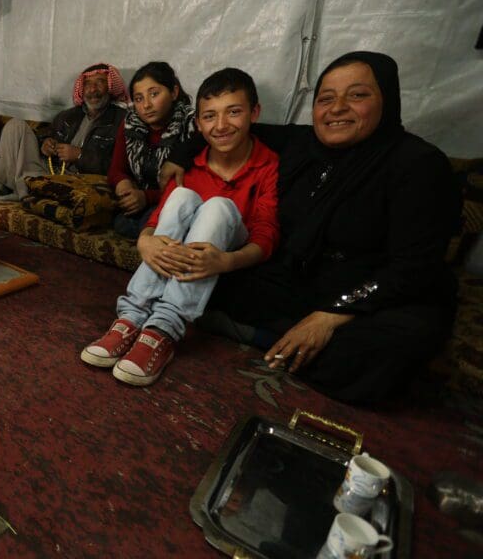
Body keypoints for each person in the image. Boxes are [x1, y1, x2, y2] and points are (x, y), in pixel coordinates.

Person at [190, 52, 461, 405]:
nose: (337, 108)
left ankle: (262, 334)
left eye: (358, 95)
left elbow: (413, 268)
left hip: (374, 292)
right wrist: (176, 162)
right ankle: (270, 335)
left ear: (388, 100)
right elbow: (217, 132)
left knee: (398, 343)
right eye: (326, 98)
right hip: (299, 277)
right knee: (213, 270)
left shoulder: (418, 165)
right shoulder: (303, 145)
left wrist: (328, 317)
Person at [80, 68, 279, 387]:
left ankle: (164, 329)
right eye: (210, 117)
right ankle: (131, 317)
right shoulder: (187, 164)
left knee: (217, 206)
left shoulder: (269, 164)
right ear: (199, 125)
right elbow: (160, 218)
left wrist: (226, 261)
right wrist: (145, 240)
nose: (222, 125)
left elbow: (266, 235)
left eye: (234, 112)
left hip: (229, 249)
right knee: (184, 196)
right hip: (184, 248)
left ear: (254, 113)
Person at [0, 62, 128, 200]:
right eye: (87, 84)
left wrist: (80, 156)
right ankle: (0, 188)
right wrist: (44, 144)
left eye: (100, 82)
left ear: (110, 87)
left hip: (79, 181)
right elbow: (44, 136)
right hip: (50, 171)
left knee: (34, 181)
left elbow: (121, 166)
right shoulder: (67, 116)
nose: (92, 89)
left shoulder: (122, 120)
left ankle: (25, 193)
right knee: (15, 125)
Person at [107, 62, 197, 239]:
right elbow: (117, 168)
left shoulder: (193, 125)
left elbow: (191, 184)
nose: (146, 105)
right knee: (121, 222)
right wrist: (123, 184)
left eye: (154, 94)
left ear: (174, 92)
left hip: (177, 201)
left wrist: (147, 197)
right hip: (144, 199)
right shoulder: (131, 123)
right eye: (139, 99)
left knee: (152, 220)